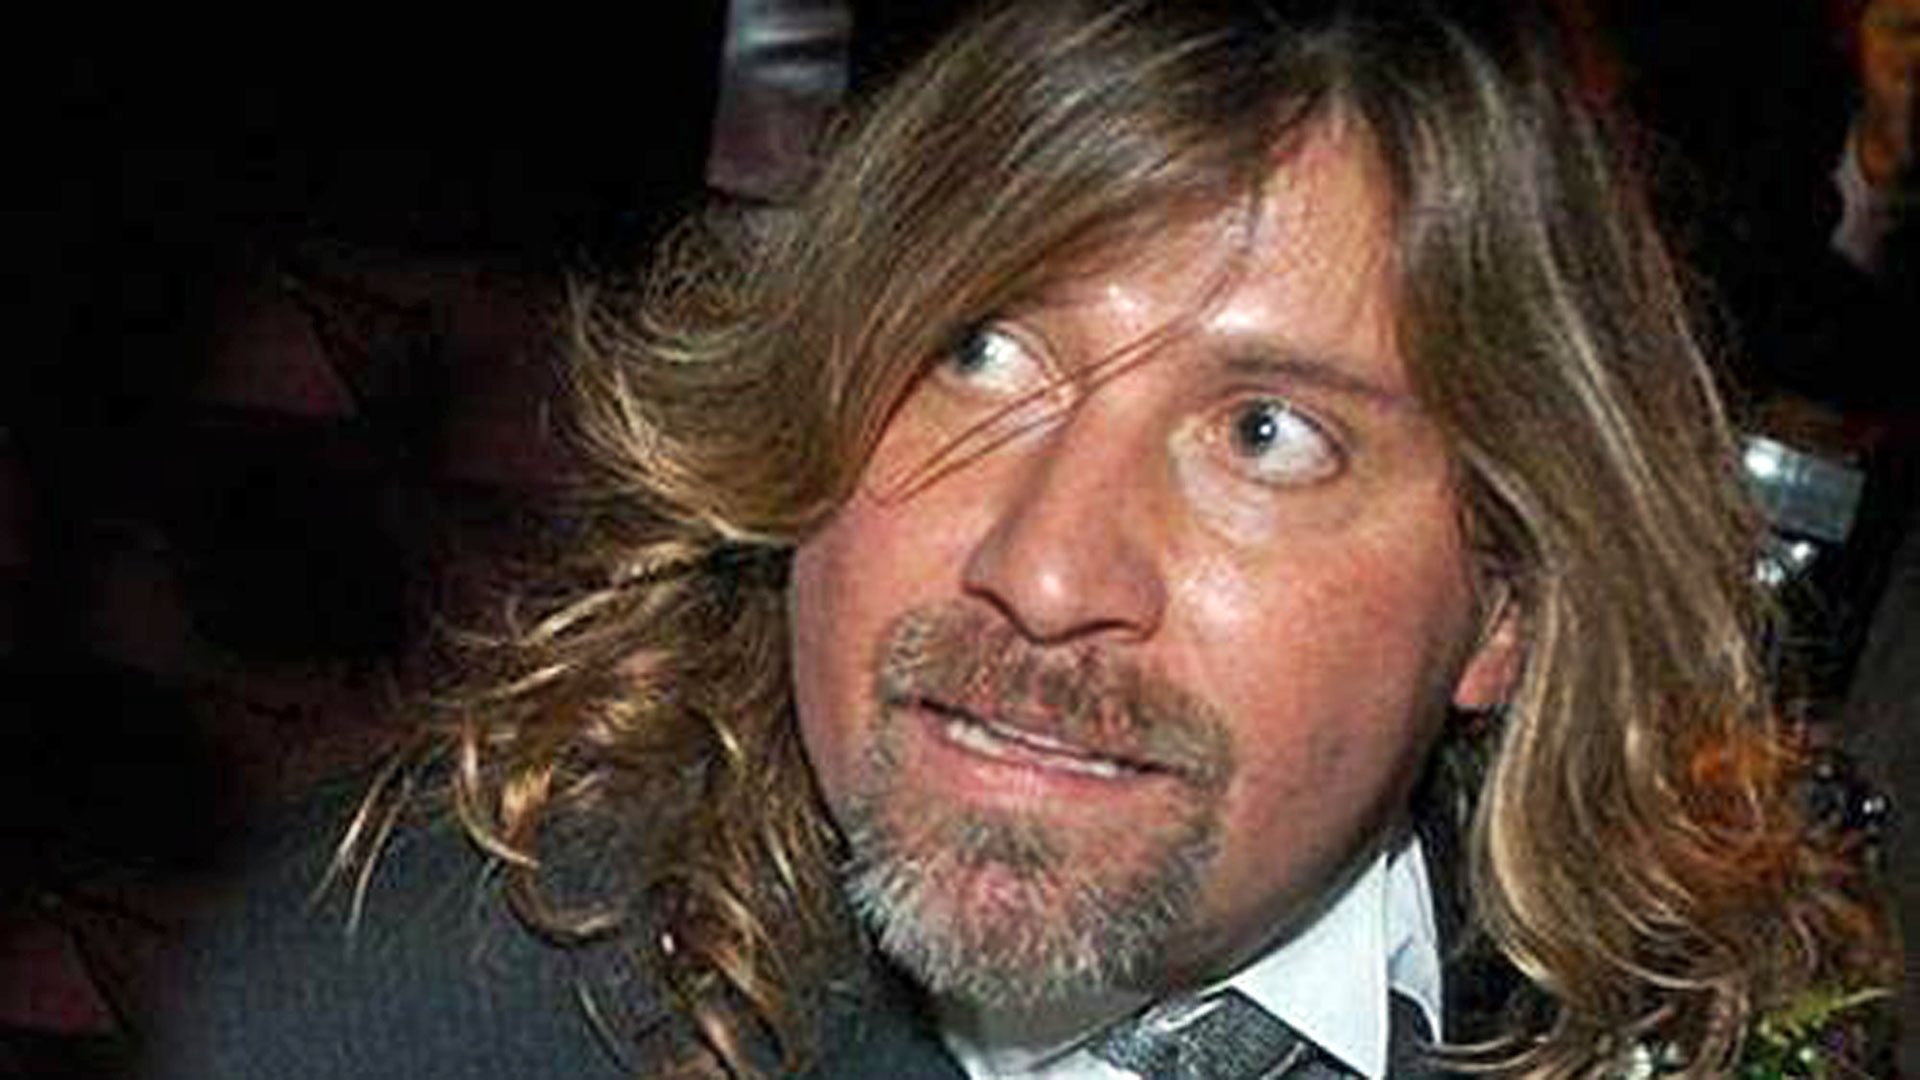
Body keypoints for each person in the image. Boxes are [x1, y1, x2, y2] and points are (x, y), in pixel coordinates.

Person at [147, 1, 1892, 1078]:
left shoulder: (1734, 1019)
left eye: (1264, 436)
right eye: (976, 353)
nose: (1048, 572)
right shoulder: (404, 1025)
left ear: (1503, 594)